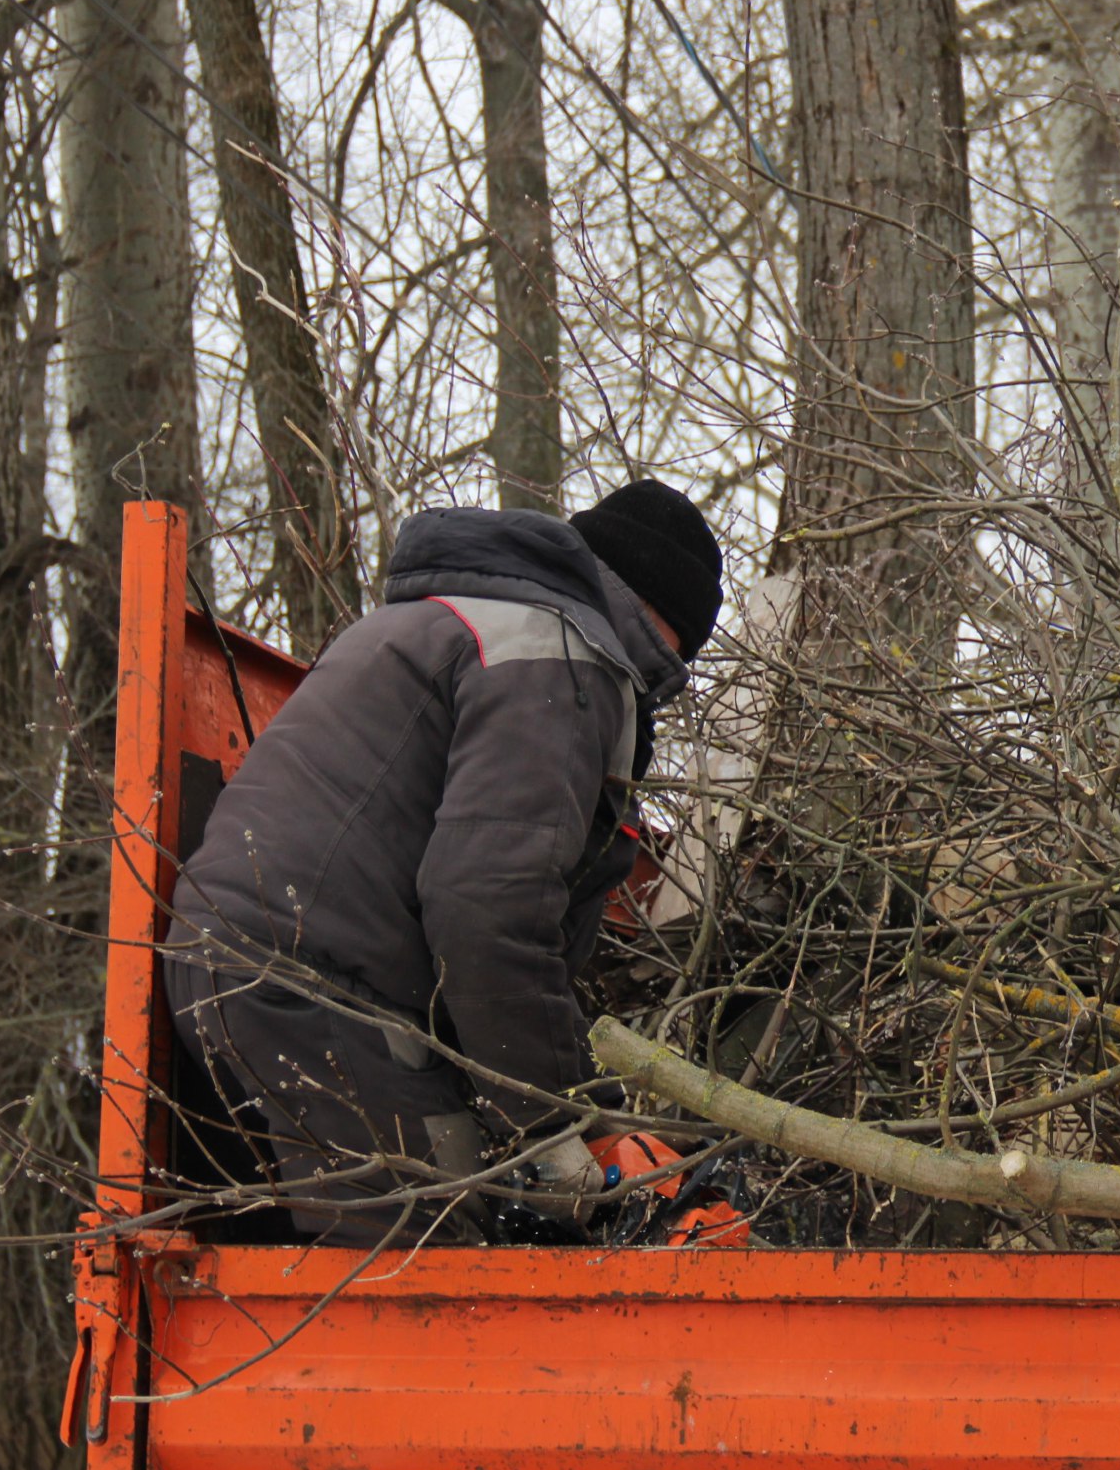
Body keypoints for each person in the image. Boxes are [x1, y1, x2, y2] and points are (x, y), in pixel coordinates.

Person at [161, 480, 723, 1244]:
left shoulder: (451, 616)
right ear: (667, 629)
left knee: (301, 1259)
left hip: (239, 962)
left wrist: (575, 1111)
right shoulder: (564, 655)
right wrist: (552, 1124)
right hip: (320, 991)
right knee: (437, 1262)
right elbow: (489, 911)